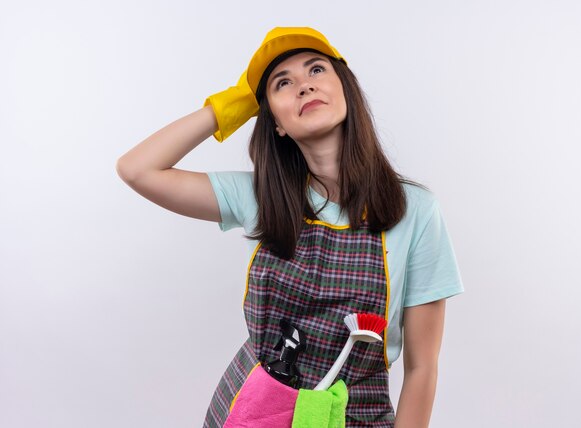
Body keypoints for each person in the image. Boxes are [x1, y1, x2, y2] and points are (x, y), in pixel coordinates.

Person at [116, 27, 464, 428]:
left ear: (346, 90)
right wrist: (234, 103)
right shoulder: (259, 197)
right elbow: (137, 169)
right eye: (283, 83)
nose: (303, 86)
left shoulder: (415, 210)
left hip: (354, 416)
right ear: (275, 122)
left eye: (316, 70)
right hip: (254, 411)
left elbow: (423, 368)